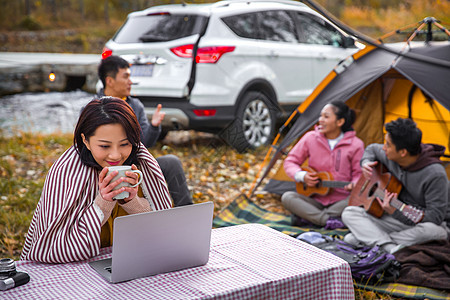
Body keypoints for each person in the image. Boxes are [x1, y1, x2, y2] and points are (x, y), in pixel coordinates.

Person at [21, 97, 172, 263]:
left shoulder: (141, 165)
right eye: (105, 146)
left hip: (131, 261)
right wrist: (103, 204)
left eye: (125, 144)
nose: (116, 155)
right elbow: (51, 248)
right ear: (85, 140)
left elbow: (162, 230)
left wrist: (132, 202)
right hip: (75, 270)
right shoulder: (66, 172)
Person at [342, 118, 449, 254]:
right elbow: (372, 149)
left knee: (435, 231)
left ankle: (374, 241)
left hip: (420, 224)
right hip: (394, 221)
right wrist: (366, 162)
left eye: (388, 144)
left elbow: (435, 217)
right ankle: (390, 248)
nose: (384, 148)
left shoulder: (435, 174)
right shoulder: (389, 154)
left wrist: (396, 212)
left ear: (403, 152)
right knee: (349, 213)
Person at [97, 55, 192, 207]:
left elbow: (145, 143)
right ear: (110, 81)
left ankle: (188, 213)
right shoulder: (94, 109)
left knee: (172, 162)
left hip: (137, 166)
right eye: (126, 77)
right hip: (104, 170)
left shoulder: (135, 105)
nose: (131, 81)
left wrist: (154, 126)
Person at [281, 101, 364, 229]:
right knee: (287, 197)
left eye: (326, 116)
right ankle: (327, 221)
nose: (321, 120)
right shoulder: (310, 138)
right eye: (321, 116)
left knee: (359, 200)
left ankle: (311, 219)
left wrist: (354, 183)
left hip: (340, 202)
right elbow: (290, 161)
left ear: (339, 122)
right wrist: (302, 176)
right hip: (315, 200)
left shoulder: (356, 144)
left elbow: (359, 173)